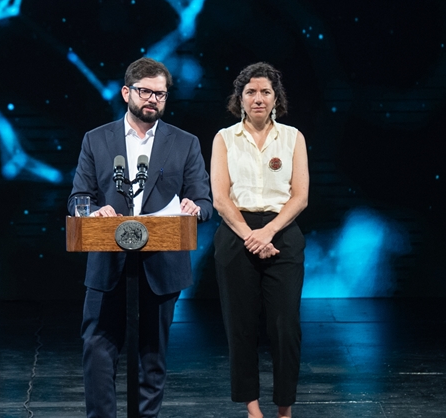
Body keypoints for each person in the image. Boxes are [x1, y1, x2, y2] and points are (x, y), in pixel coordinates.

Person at [67, 57, 213, 418]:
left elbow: (204, 200)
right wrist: (93, 211)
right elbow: (78, 197)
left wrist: (195, 207)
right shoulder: (96, 139)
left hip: (161, 267)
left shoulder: (185, 143)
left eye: (160, 94)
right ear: (126, 92)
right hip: (108, 266)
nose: (153, 100)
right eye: (145, 91)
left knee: (152, 357)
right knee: (97, 349)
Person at [211, 62, 309, 418]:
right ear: (240, 98)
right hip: (236, 232)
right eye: (250, 92)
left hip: (281, 231)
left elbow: (301, 196)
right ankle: (253, 409)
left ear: (275, 98)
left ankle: (284, 409)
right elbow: (220, 198)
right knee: (241, 327)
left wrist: (268, 233)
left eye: (265, 92)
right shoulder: (224, 138)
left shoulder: (293, 137)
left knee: (285, 327)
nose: (258, 98)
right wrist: (250, 235)